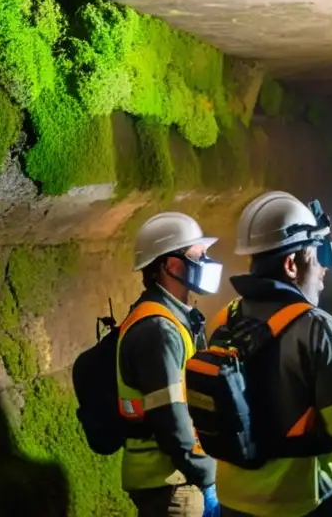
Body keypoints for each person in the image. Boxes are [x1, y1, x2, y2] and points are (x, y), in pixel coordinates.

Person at [206, 190, 332, 517]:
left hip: (232, 502)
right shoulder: (318, 330)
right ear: (291, 264)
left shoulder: (224, 320)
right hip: (302, 503)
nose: (323, 271)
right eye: (317, 258)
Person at [118, 211, 224, 517]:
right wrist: (207, 475)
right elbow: (171, 421)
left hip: (176, 478)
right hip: (172, 484)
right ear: (172, 265)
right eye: (200, 255)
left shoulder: (175, 319)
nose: (207, 262)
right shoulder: (158, 331)